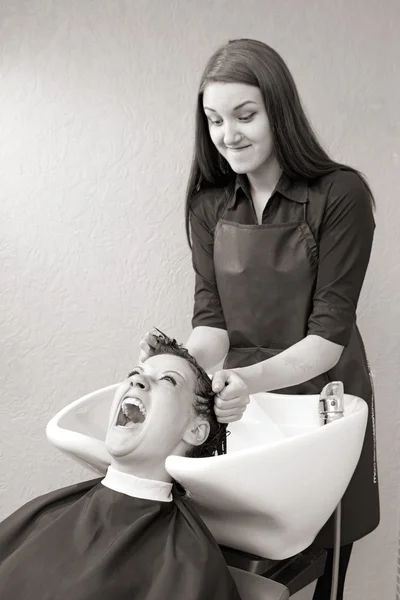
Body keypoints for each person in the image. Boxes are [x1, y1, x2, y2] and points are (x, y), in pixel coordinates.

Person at [140, 38, 379, 600]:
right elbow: (213, 323)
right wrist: (172, 364)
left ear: (281, 111)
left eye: (246, 115)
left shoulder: (338, 195)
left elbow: (327, 337)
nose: (229, 134)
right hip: (240, 405)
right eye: (215, 119)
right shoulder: (209, 206)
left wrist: (248, 380)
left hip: (326, 398)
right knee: (237, 559)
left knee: (326, 555)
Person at [0, 333, 241, 600]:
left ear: (196, 430)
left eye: (169, 380)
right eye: (136, 373)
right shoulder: (46, 513)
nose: (137, 380)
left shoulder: (190, 564)